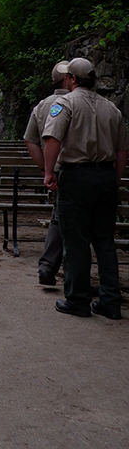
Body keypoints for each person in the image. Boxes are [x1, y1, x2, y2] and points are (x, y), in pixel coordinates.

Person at [42, 56, 129, 319]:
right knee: (104, 241)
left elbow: (52, 138)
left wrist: (48, 172)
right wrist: (114, 177)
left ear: (72, 79)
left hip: (76, 177)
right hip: (105, 178)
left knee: (76, 240)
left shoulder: (65, 103)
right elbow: (123, 149)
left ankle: (77, 300)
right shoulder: (111, 109)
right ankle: (111, 301)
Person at [23, 61, 72, 286]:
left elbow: (30, 140)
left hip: (57, 171)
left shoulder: (43, 106)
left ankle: (48, 266)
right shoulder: (79, 103)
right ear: (68, 79)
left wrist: (45, 168)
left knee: (59, 218)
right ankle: (63, 270)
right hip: (77, 170)